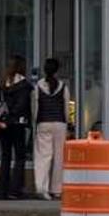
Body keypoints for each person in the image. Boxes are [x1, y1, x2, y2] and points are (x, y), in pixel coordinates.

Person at [32, 59, 73, 200]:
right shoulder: (63, 86)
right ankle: (57, 189)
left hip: (43, 122)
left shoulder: (38, 86)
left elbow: (36, 108)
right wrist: (68, 124)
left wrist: (36, 121)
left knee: (43, 156)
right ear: (57, 70)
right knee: (59, 157)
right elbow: (67, 109)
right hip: (60, 123)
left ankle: (42, 187)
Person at [0, 58, 34, 201]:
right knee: (19, 156)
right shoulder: (24, 86)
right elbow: (21, 106)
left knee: (5, 156)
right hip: (17, 124)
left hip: (2, 124)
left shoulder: (0, 84)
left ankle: (2, 189)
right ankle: (15, 189)